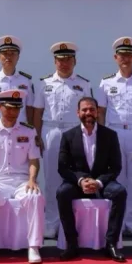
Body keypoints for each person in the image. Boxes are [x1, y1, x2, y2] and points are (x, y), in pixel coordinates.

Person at [32, 41, 93, 237]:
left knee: (76, 177)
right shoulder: (44, 83)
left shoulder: (83, 84)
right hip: (50, 131)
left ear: (74, 61)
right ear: (55, 62)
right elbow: (38, 111)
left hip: (75, 133)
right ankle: (51, 222)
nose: (64, 63)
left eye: (68, 59)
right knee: (51, 179)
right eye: (60, 59)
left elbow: (89, 113)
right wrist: (37, 135)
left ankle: (73, 221)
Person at [0, 90, 43, 264]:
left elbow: (34, 160)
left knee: (35, 196)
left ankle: (33, 247)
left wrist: (32, 180)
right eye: (9, 108)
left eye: (16, 109)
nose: (13, 112)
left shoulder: (28, 131)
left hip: (22, 181)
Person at [56, 97, 126, 262]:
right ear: (78, 112)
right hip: (77, 182)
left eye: (92, 109)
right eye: (84, 110)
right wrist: (81, 180)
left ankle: (111, 244)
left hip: (102, 182)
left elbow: (116, 167)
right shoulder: (68, 136)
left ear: (98, 111)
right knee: (62, 193)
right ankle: (72, 244)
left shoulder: (110, 135)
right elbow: (63, 167)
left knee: (120, 192)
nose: (88, 113)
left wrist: (99, 182)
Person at [96, 36, 132, 236]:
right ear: (115, 57)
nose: (126, 59)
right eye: (122, 55)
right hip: (114, 132)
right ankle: (117, 223)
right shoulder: (106, 83)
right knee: (117, 176)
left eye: (129, 55)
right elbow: (101, 112)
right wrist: (101, 137)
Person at [0, 35, 34, 126]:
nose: (8, 57)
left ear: (18, 57)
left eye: (12, 53)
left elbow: (29, 108)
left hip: (21, 131)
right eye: (5, 53)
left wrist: (31, 131)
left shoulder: (26, 81)